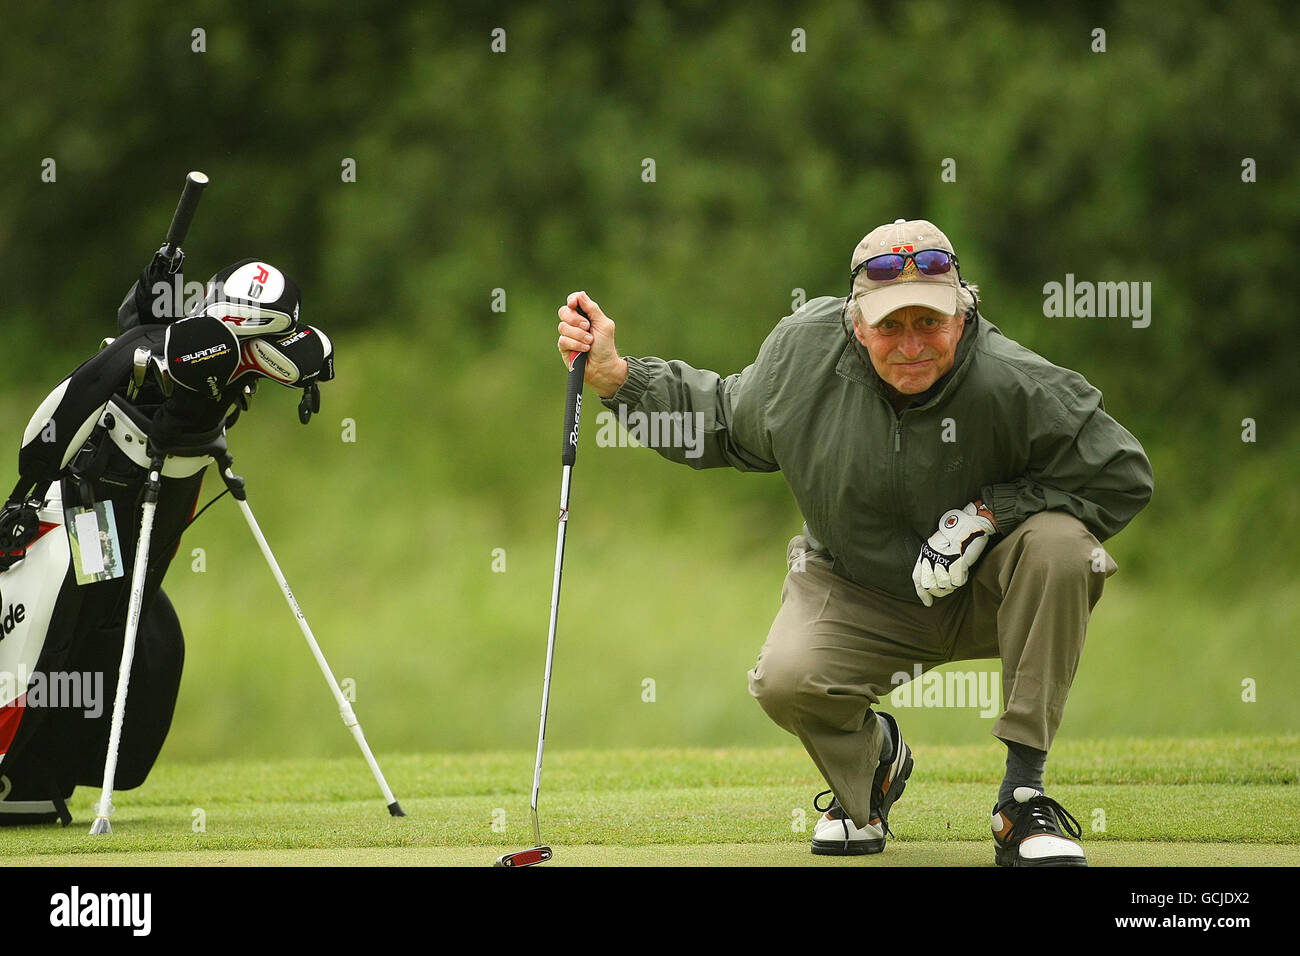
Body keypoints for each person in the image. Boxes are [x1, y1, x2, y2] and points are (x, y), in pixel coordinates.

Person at [555, 218, 1153, 866]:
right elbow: (723, 419)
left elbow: (1122, 474)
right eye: (891, 326)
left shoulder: (1013, 381)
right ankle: (871, 774)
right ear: (855, 321)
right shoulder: (804, 354)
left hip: (989, 589)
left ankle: (1022, 799)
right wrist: (617, 376)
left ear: (963, 313)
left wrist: (993, 510)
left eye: (930, 322)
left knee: (1063, 547)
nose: (912, 345)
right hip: (859, 589)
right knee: (785, 679)